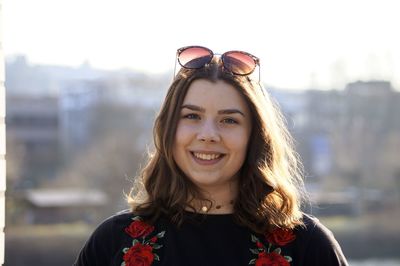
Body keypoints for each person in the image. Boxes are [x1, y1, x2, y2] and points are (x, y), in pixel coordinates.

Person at [74, 45, 348, 266]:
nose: (208, 134)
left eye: (229, 120)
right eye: (192, 116)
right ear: (169, 129)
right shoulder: (113, 242)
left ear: (255, 135)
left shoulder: (307, 247)